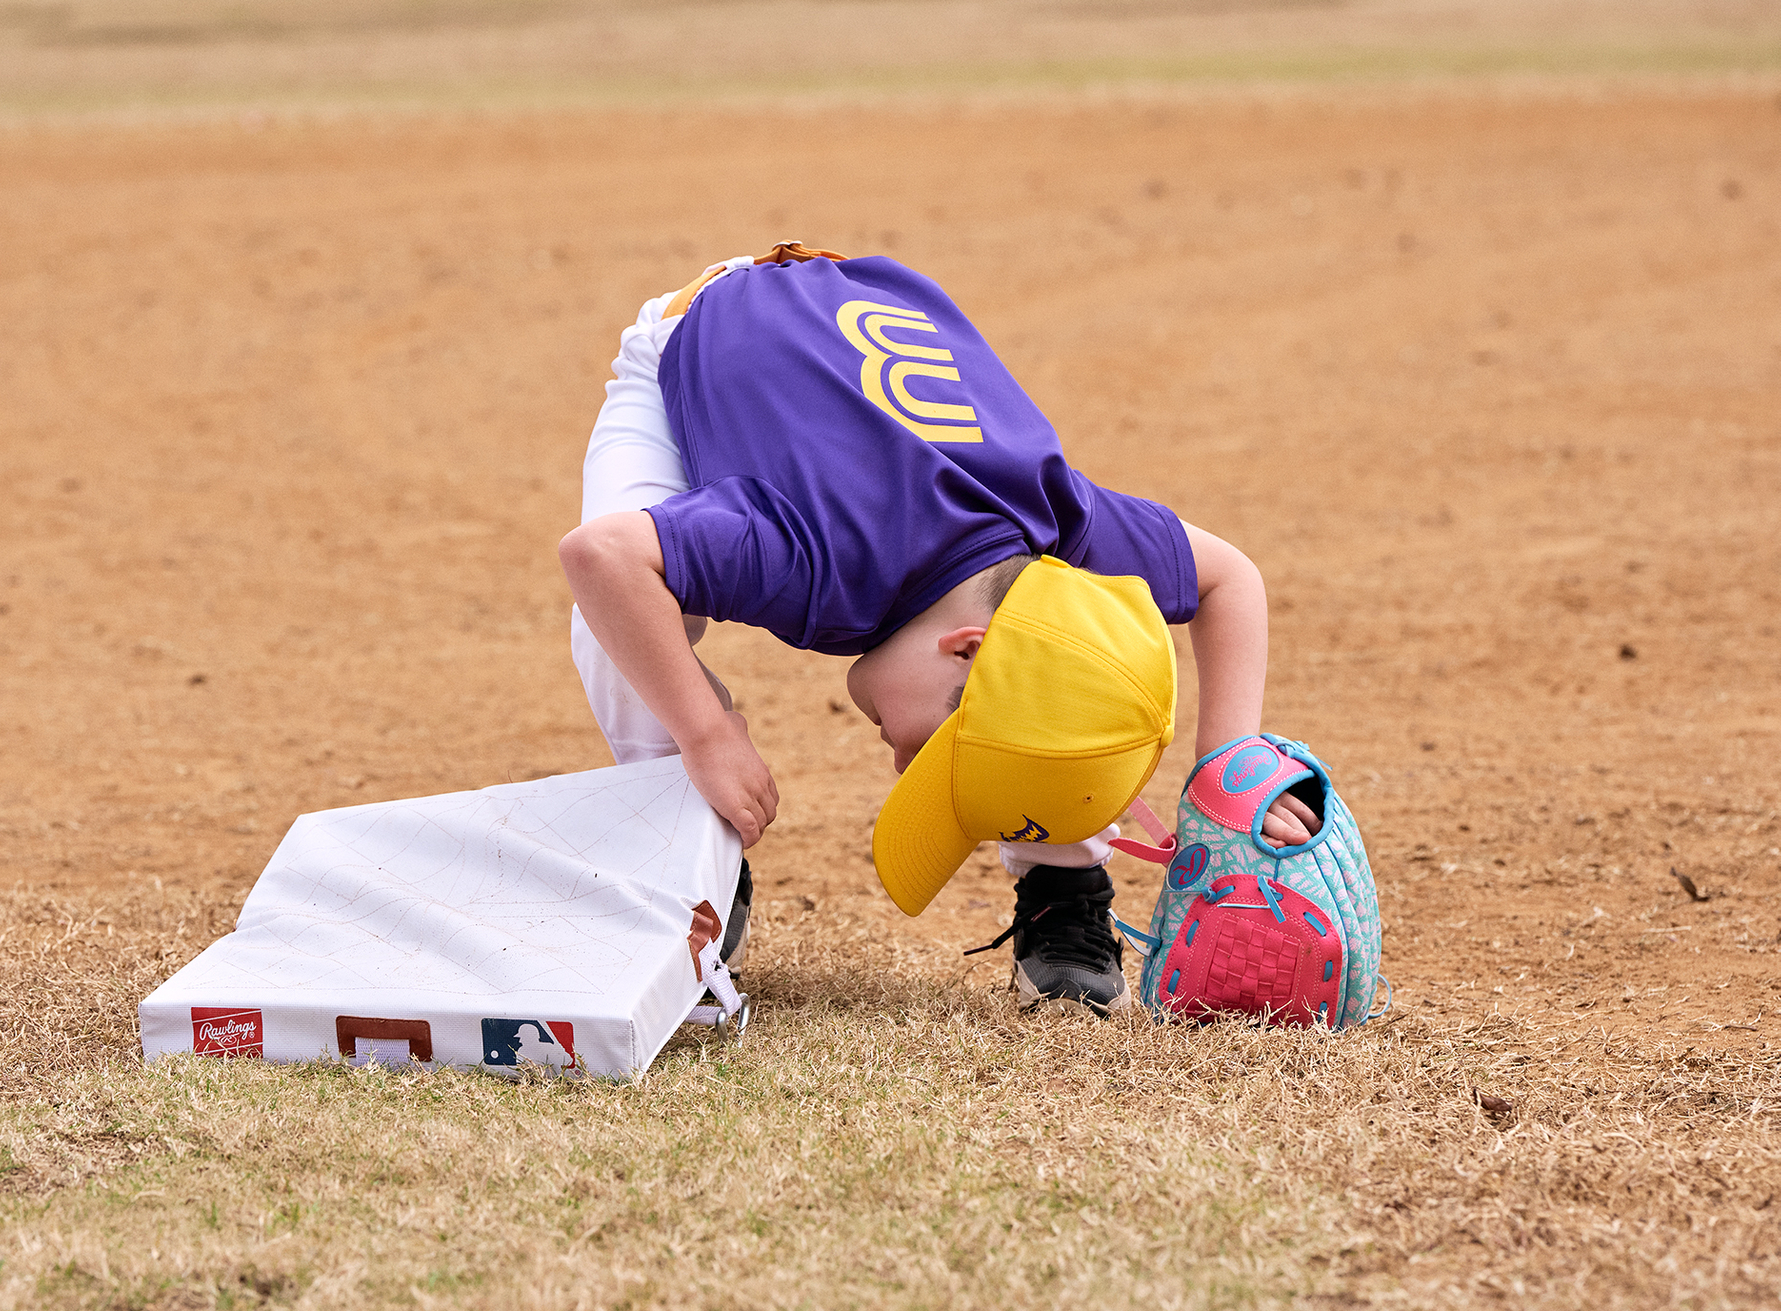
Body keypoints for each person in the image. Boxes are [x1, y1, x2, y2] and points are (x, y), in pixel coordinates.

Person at [559, 244, 1320, 1014]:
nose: (903, 767)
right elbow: (601, 557)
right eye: (932, 751)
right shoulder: (814, 550)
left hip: (842, 366)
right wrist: (704, 733)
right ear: (963, 645)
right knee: (616, 620)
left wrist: (1227, 776)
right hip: (691, 341)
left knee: (1064, 668)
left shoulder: (1052, 513)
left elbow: (1231, 580)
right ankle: (695, 862)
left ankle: (1064, 888)